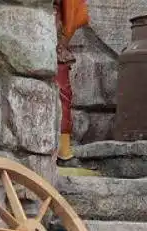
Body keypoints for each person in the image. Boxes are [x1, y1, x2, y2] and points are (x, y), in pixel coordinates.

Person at [54, 0, 89, 161]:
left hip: (57, 31)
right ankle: (62, 151)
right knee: (63, 91)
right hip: (50, 27)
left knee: (63, 92)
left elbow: (74, 11)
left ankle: (64, 150)